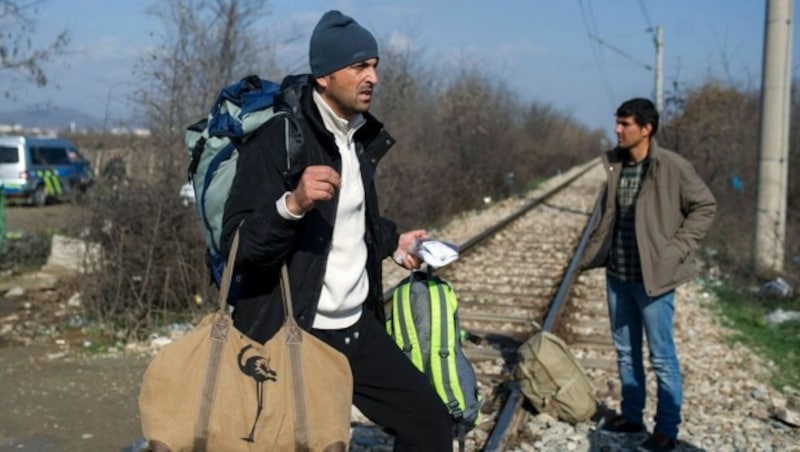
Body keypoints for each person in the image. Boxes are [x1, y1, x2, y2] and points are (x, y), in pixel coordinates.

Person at [220, 10, 453, 451]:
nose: (373, 78)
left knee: (430, 424)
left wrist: (394, 241)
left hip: (356, 326)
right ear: (324, 76)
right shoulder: (278, 138)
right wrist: (292, 205)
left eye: (375, 66)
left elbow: (347, 224)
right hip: (298, 333)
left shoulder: (356, 137)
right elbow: (237, 244)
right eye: (360, 66)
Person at [580, 98, 716, 451]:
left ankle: (666, 430)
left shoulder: (671, 166)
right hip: (618, 275)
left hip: (655, 280)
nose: (617, 130)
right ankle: (632, 415)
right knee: (626, 351)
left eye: (624, 124)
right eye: (617, 122)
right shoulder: (615, 165)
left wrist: (675, 249)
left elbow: (705, 206)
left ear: (646, 128)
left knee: (661, 356)